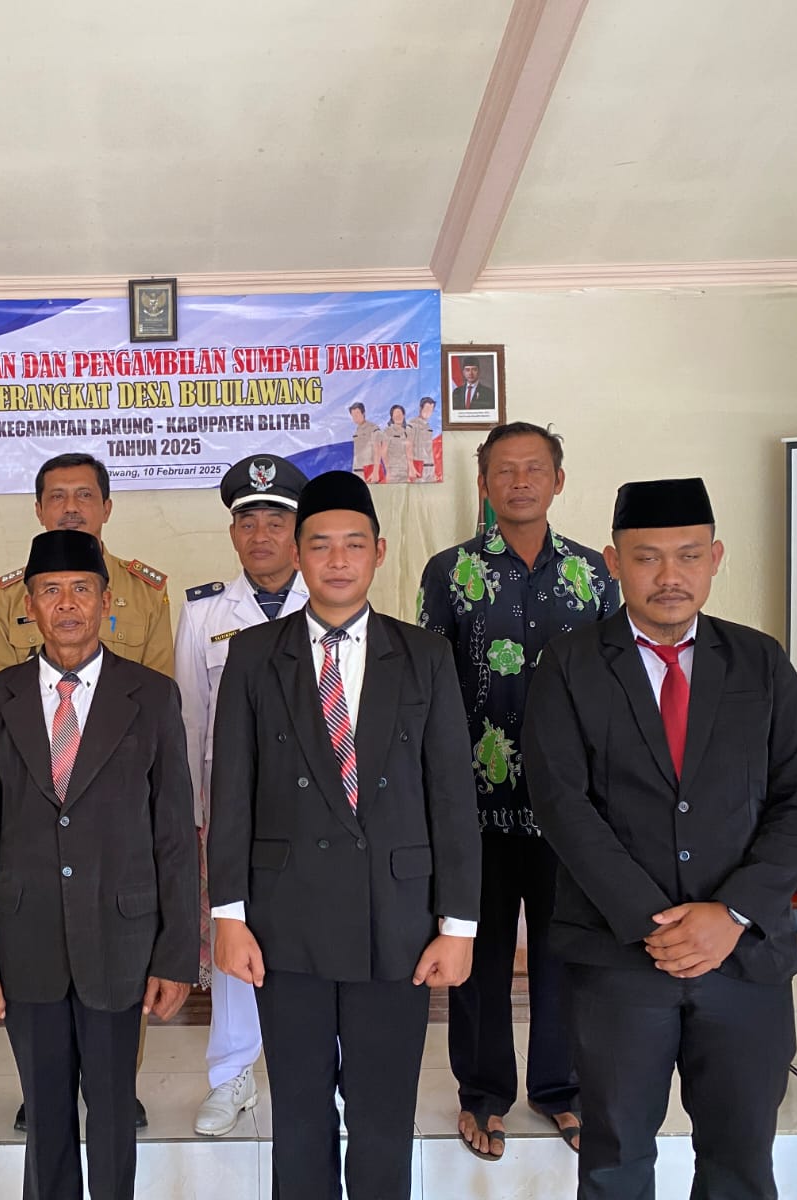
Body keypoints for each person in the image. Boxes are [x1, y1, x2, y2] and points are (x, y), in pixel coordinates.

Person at [525, 478, 797, 1200]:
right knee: (615, 1158)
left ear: (715, 558)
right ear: (613, 562)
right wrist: (655, 923)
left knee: (740, 1159)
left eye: (688, 555)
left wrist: (732, 913)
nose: (669, 576)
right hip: (619, 957)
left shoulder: (761, 662)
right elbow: (562, 805)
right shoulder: (569, 664)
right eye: (647, 557)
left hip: (744, 957)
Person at [208, 471, 481, 1200]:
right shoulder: (254, 653)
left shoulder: (424, 654)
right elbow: (231, 791)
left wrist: (458, 925)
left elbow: (452, 798)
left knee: (382, 1114)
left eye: (353, 545)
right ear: (297, 554)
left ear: (378, 553)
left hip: (397, 920)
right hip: (285, 918)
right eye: (321, 545)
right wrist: (227, 915)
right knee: (299, 1116)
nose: (337, 560)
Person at [0, 529, 198, 1200]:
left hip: (122, 940)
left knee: (115, 1114)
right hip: (25, 940)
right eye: (51, 591)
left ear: (106, 601)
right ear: (29, 605)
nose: (67, 604)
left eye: (81, 590)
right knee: (45, 1117)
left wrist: (177, 955)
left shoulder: (151, 696)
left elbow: (174, 836)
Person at [416, 422, 618, 1160]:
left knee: (568, 955)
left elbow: (616, 685)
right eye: (505, 470)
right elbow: (430, 689)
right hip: (475, 807)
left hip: (572, 809)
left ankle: (561, 1089)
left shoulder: (594, 575)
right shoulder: (449, 572)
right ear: (485, 483)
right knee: (479, 955)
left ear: (558, 481)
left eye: (535, 468)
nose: (521, 481)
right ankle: (483, 1093)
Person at [173, 453, 308, 1136]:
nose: (261, 535)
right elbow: (191, 719)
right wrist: (197, 815)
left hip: (317, 810)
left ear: (298, 531)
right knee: (234, 936)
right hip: (232, 809)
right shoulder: (204, 613)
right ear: (232, 533)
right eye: (248, 522)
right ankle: (232, 1076)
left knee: (319, 936)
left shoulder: (332, 600)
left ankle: (322, 1075)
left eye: (275, 521)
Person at [0, 452, 173, 682]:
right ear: (39, 511)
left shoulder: (146, 592)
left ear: (106, 509)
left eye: (84, 495)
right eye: (57, 496)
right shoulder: (13, 594)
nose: (71, 507)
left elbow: (160, 690)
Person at [407, 398, 438, 482]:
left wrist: (433, 471)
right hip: (419, 467)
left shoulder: (428, 426)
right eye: (426, 409)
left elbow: (429, 449)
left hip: (430, 467)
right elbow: (408, 446)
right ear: (420, 408)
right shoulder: (412, 424)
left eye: (431, 410)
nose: (428, 412)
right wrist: (411, 467)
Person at [378, 404, 410, 484]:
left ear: (404, 415)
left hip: (406, 472)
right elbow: (383, 452)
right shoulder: (388, 431)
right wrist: (388, 470)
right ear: (392, 417)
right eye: (395, 414)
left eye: (400, 414)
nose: (398, 416)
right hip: (393, 473)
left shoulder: (407, 432)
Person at [349, 400, 380, 481]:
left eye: (357, 413)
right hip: (357, 470)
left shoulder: (372, 428)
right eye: (353, 415)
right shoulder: (357, 430)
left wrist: (375, 471)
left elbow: (377, 450)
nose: (355, 417)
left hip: (369, 470)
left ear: (363, 413)